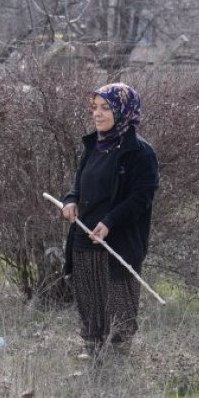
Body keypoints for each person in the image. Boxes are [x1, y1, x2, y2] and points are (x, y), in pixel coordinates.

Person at [61, 82, 159, 358]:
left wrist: (110, 221)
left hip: (118, 242)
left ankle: (117, 369)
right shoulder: (94, 146)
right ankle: (94, 362)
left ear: (123, 111)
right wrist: (70, 200)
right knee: (90, 308)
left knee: (119, 309)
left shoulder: (141, 153)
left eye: (105, 108)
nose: (98, 114)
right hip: (84, 239)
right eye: (94, 108)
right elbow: (79, 184)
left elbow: (142, 197)